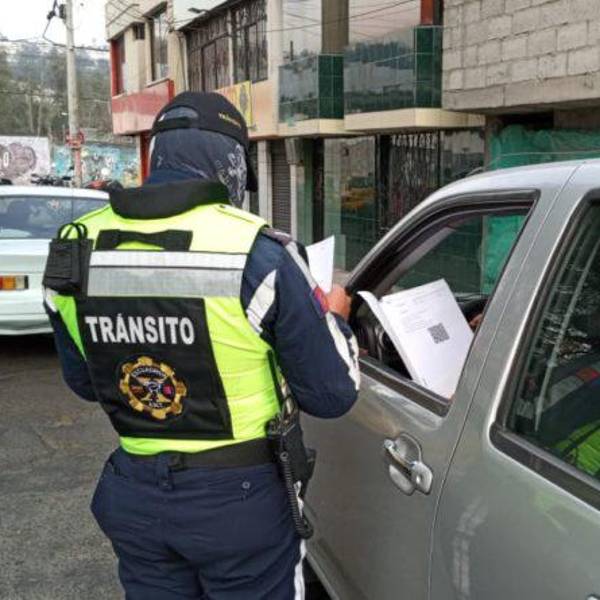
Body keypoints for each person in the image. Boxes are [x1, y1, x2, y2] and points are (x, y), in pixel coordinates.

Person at [43, 91, 359, 600]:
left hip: (135, 495)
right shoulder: (259, 253)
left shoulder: (74, 246)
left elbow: (85, 382)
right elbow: (331, 394)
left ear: (157, 154)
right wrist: (336, 320)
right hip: (240, 503)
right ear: (229, 162)